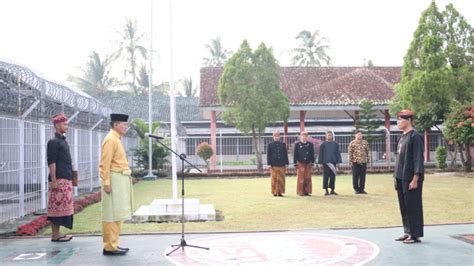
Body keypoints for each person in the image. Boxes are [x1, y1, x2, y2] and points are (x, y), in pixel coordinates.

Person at [100, 113, 133, 255]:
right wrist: (106, 182)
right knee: (111, 214)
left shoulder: (117, 139)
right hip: (113, 179)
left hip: (120, 179)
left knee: (117, 213)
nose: (126, 127)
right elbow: (104, 164)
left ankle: (114, 243)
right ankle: (109, 246)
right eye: (124, 124)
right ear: (115, 125)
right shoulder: (110, 140)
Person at [394, 109, 424, 244]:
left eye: (401, 119)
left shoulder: (415, 136)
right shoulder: (401, 137)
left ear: (409, 120)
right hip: (400, 176)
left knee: (413, 206)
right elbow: (399, 158)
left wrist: (416, 178)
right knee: (404, 205)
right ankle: (407, 231)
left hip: (411, 178)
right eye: (398, 119)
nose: (398, 122)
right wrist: (396, 176)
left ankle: (415, 234)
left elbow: (418, 159)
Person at [46, 114, 74, 242]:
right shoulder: (53, 142)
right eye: (64, 124)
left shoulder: (63, 141)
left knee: (63, 207)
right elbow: (51, 162)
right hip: (58, 180)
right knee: (56, 207)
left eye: (67, 124)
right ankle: (55, 234)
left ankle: (58, 233)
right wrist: (54, 180)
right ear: (57, 125)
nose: (66, 126)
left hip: (65, 178)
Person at [318, 131, 342, 196]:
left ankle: (332, 190)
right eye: (328, 135)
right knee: (325, 177)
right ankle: (326, 190)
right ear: (326, 136)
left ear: (332, 136)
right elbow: (321, 154)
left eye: (330, 135)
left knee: (333, 177)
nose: (329, 136)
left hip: (333, 163)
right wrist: (320, 163)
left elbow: (338, 154)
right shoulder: (323, 144)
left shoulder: (335, 144)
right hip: (325, 163)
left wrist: (338, 162)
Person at [267, 130, 289, 197]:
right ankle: (274, 192)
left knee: (281, 179)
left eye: (278, 136)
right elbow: (268, 155)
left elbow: (285, 154)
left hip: (282, 163)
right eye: (275, 136)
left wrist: (287, 163)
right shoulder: (270, 145)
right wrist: (269, 164)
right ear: (273, 137)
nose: (276, 137)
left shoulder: (283, 144)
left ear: (280, 137)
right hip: (273, 164)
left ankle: (280, 192)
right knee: (274, 179)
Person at [293, 131, 315, 196]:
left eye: (305, 136)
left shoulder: (310, 144)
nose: (304, 137)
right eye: (302, 136)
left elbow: (312, 154)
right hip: (300, 163)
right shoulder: (297, 144)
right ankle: (300, 192)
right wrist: (295, 163)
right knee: (300, 178)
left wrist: (312, 162)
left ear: (307, 137)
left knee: (308, 177)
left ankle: (307, 191)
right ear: (300, 137)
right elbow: (295, 155)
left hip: (308, 163)